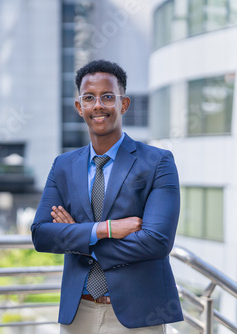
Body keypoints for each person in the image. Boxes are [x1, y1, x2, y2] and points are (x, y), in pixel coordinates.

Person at [31, 60, 183, 333]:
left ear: (123, 104)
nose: (98, 105)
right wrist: (105, 229)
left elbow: (157, 242)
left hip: (136, 317)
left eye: (107, 97)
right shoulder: (63, 166)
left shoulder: (157, 161)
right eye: (89, 98)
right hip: (78, 313)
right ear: (80, 107)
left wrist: (77, 235)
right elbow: (41, 235)